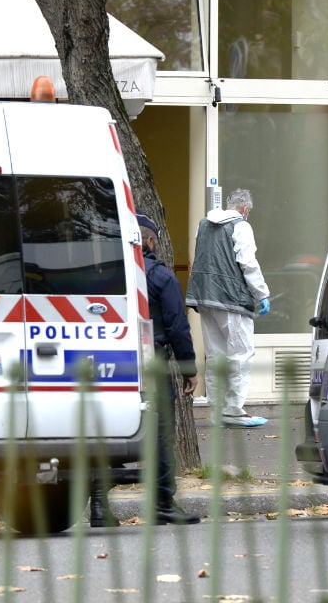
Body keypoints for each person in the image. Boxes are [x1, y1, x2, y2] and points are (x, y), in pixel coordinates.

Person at [90, 213, 200, 526]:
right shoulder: (160, 276)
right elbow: (178, 326)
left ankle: (99, 506)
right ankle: (163, 502)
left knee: (108, 434)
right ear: (148, 241)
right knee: (161, 434)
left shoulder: (106, 274)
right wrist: (189, 367)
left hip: (110, 363)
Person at [185, 188, 270, 428]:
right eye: (248, 211)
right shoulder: (241, 226)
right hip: (230, 298)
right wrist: (262, 294)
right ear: (245, 209)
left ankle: (218, 410)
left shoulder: (204, 224)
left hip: (204, 297)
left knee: (215, 356)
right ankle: (233, 410)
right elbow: (247, 262)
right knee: (241, 354)